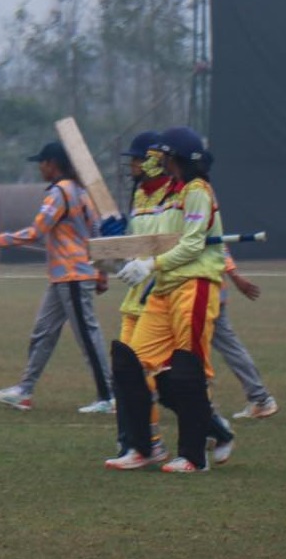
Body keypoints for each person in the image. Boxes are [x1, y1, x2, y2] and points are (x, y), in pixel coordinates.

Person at [108, 127, 228, 473]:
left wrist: (150, 265)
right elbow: (152, 239)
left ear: (180, 159)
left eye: (166, 157)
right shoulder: (166, 193)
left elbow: (191, 245)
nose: (160, 163)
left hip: (194, 283)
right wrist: (125, 251)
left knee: (189, 371)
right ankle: (143, 448)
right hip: (163, 287)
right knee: (131, 364)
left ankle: (194, 455)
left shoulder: (197, 190)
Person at [0, 141, 113, 413]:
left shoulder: (59, 192)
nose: (40, 168)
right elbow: (96, 232)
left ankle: (109, 397)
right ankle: (24, 391)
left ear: (52, 164)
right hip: (64, 277)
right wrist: (101, 271)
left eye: (41, 163)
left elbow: (36, 232)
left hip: (73, 275)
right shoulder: (80, 191)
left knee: (87, 336)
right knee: (43, 333)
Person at [216, 254, 279, 420]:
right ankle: (261, 399)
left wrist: (235, 276)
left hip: (198, 296)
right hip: (198, 295)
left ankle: (261, 399)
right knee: (231, 349)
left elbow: (219, 248)